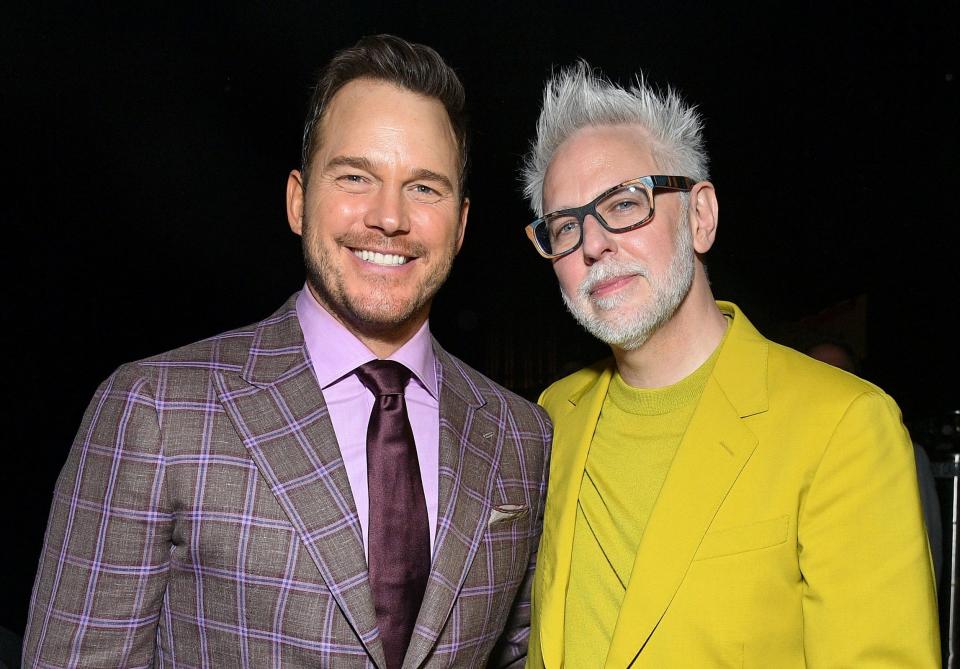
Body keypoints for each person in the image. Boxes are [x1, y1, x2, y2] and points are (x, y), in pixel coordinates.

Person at [24, 35, 550, 669]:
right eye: (356, 176)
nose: (389, 217)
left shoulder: (521, 436)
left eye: (424, 188)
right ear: (299, 201)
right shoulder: (156, 410)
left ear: (461, 225)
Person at [520, 62, 939, 667]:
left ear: (700, 216)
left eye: (625, 203)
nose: (592, 244)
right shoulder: (552, 416)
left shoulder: (843, 426)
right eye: (565, 225)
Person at [801, 336, 943, 586]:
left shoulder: (899, 448)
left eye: (841, 372)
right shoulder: (781, 455)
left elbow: (926, 545)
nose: (830, 380)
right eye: (818, 370)